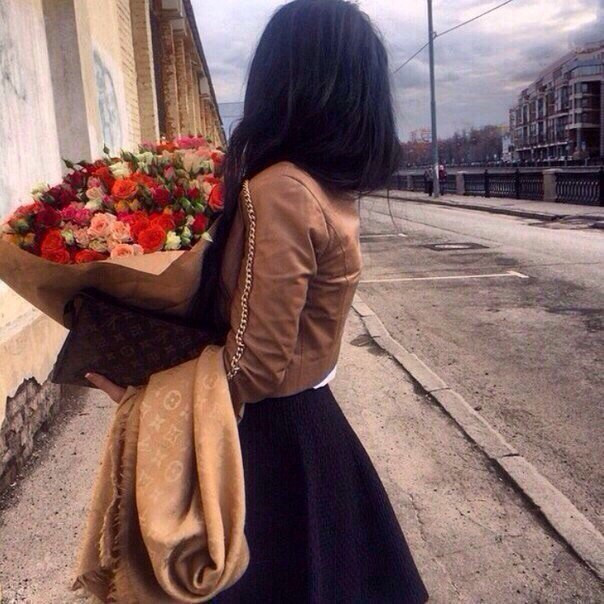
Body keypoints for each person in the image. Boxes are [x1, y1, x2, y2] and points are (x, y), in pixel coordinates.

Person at [87, 1, 429, 601]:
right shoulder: (328, 189)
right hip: (307, 428)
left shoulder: (281, 189)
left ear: (284, 81)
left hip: (262, 441)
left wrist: (151, 400)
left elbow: (255, 365)